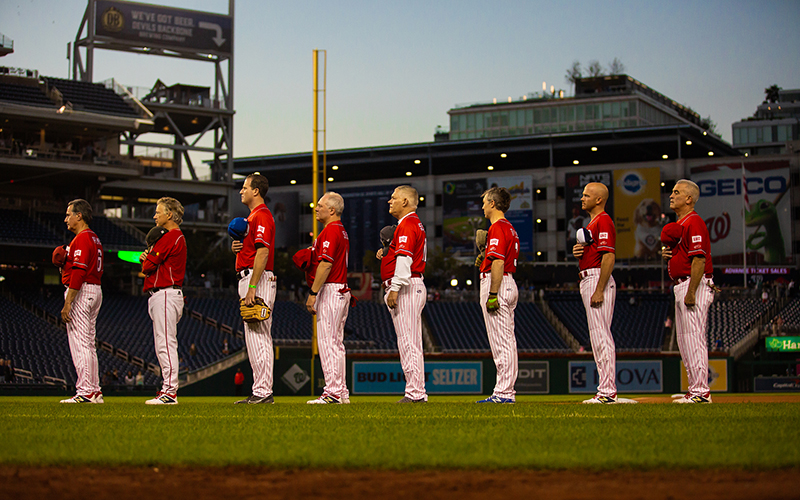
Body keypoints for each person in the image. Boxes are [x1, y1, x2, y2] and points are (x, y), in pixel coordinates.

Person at [572, 182, 628, 404]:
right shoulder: (593, 223)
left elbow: (609, 257)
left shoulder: (603, 220)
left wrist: (599, 288)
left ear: (599, 200)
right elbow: (596, 253)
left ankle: (607, 391)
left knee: (601, 336)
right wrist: (580, 252)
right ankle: (606, 389)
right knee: (598, 336)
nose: (582, 198)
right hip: (590, 276)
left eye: (587, 195)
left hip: (596, 279)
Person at [662, 179, 715, 404]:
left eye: (677, 192)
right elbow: (686, 256)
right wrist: (672, 255)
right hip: (682, 284)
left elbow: (699, 260)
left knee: (694, 339)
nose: (671, 195)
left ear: (689, 199)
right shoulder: (682, 224)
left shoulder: (694, 222)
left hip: (695, 284)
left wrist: (692, 291)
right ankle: (694, 389)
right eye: (672, 192)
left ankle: (702, 392)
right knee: (684, 341)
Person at [376, 185, 428, 403]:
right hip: (411, 285)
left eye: (394, 198)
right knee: (408, 341)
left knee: (409, 342)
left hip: (407, 287)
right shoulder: (410, 224)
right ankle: (415, 391)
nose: (390, 201)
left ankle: (415, 393)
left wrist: (395, 288)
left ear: (405, 202)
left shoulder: (407, 223)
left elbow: (405, 260)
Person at [232, 173, 277, 404]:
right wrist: (238, 248)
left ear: (256, 191)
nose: (241, 191)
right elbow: (253, 249)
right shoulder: (252, 217)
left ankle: (264, 391)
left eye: (245, 187)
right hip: (250, 277)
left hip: (257, 279)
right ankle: (259, 390)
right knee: (253, 336)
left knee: (259, 334)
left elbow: (263, 252)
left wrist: (252, 287)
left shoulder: (262, 216)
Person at [306, 192, 352, 404]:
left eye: (320, 205)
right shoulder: (339, 230)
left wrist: (313, 293)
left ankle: (333, 392)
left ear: (332, 210)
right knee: (336, 343)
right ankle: (340, 392)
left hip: (332, 290)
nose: (316, 208)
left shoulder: (331, 230)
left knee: (328, 343)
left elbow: (326, 264)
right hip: (341, 290)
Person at [140, 197, 187, 405]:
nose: (154, 216)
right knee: (163, 344)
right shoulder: (170, 237)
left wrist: (148, 256)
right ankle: (168, 390)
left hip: (166, 294)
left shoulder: (172, 236)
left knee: (166, 344)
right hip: (164, 294)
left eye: (158, 212)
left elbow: (147, 266)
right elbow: (149, 264)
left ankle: (170, 392)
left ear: (169, 214)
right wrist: (148, 257)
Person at [476, 187, 520, 404]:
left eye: (485, 202)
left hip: (499, 285)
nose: (483, 206)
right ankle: (504, 391)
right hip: (508, 282)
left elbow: (499, 262)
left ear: (493, 203)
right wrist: (484, 257)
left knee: (502, 343)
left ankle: (504, 393)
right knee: (506, 341)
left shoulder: (498, 227)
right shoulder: (509, 228)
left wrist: (493, 294)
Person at [59, 199, 104, 404]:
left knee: (81, 343)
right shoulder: (94, 238)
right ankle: (94, 390)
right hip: (94, 289)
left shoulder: (82, 238)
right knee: (88, 343)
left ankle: (85, 391)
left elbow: (79, 271)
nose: (66, 218)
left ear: (80, 216)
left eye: (69, 214)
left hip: (83, 290)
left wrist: (68, 302)